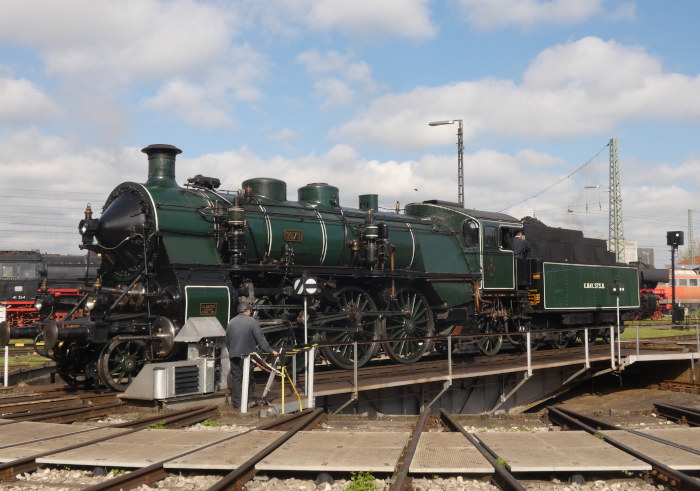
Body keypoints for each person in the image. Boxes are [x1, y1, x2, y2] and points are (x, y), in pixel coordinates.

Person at [226, 300, 278, 409]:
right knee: (249, 378)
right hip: (247, 355)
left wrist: (231, 351)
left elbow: (227, 340)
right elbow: (261, 339)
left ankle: (237, 403)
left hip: (233, 354)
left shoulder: (231, 322)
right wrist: (270, 350)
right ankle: (248, 400)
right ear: (248, 311)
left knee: (236, 378)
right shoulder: (252, 322)